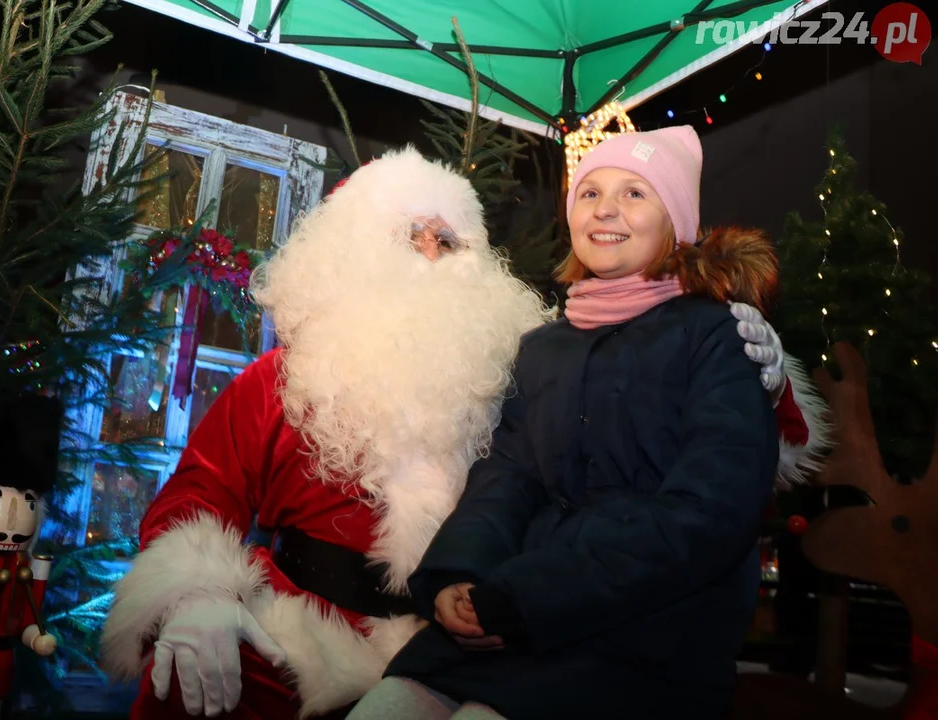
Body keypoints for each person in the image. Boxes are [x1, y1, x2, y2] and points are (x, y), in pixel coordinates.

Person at [100, 145, 824, 719]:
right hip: (294, 638)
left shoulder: (511, 360)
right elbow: (203, 489)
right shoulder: (280, 379)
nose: (428, 249)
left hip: (501, 630)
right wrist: (193, 595)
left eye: (447, 237)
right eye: (405, 233)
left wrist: (774, 375)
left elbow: (663, 425)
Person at [351, 127, 797, 720]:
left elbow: (708, 514)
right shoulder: (544, 347)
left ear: (677, 224)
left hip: (647, 631)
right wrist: (459, 575)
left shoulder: (717, 337)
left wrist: (529, 597)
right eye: (590, 193)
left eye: (635, 193)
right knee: (388, 705)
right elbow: (507, 476)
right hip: (519, 608)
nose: (606, 209)